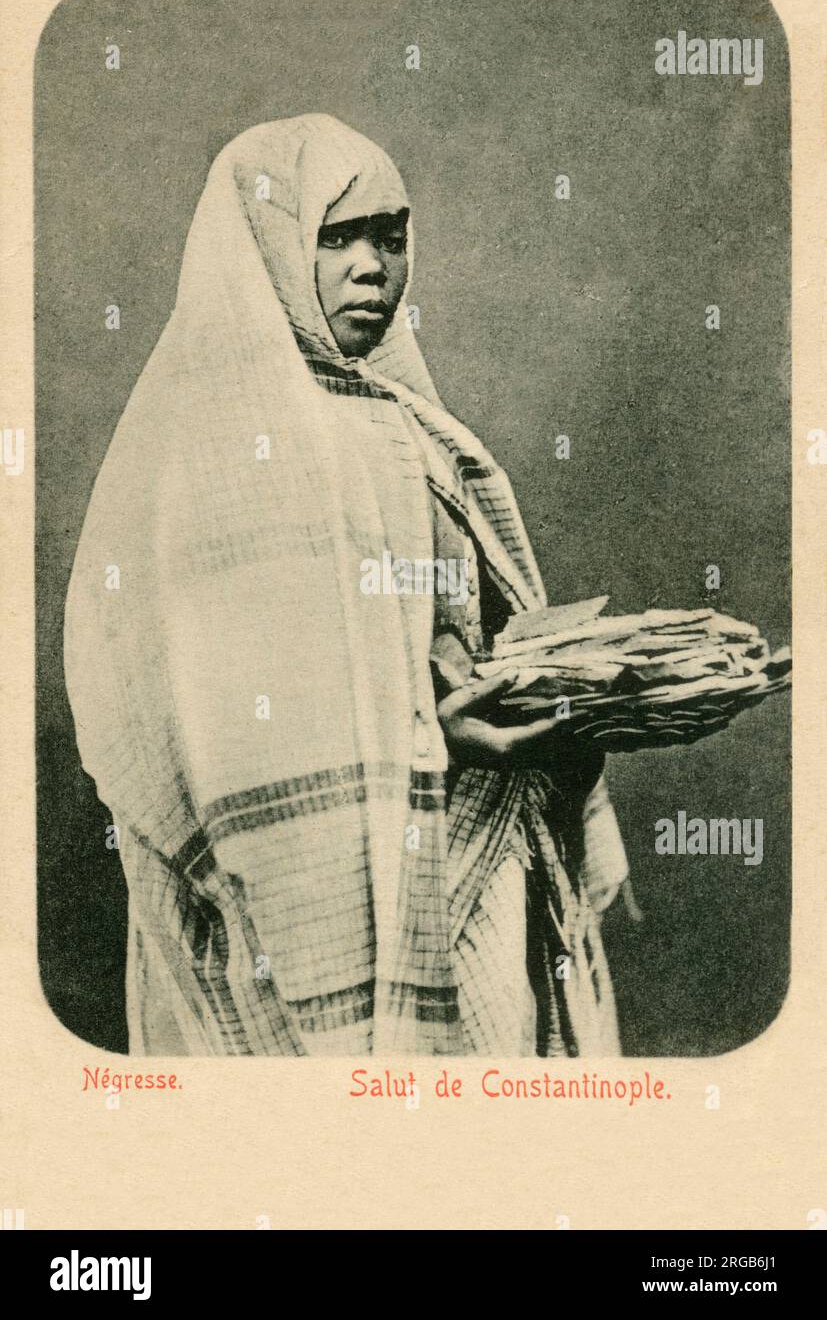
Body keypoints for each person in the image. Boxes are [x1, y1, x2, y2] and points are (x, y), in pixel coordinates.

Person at [63, 115, 683, 1055]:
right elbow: (225, 715)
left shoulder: (410, 432)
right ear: (266, 248)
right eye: (335, 236)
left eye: (389, 237)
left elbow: (444, 625)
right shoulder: (216, 447)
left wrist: (504, 687)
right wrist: (436, 738)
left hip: (463, 853)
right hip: (300, 885)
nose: (371, 267)